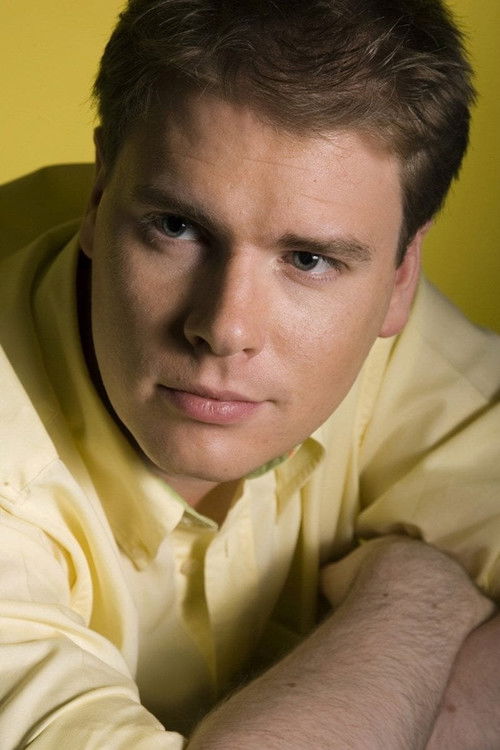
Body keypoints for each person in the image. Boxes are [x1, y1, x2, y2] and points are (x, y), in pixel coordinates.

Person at [0, 0, 499, 746]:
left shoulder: (383, 316)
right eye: (177, 227)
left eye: (307, 259)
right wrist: (416, 594)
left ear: (400, 276)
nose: (225, 328)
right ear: (99, 197)